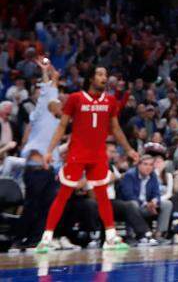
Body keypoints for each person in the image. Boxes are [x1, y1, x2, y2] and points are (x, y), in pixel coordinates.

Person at [36, 66, 139, 253]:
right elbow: (61, 126)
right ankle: (46, 238)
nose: (104, 78)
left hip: (98, 155)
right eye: (100, 74)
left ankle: (111, 237)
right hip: (77, 154)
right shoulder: (76, 98)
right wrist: (50, 150)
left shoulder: (110, 100)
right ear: (91, 78)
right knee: (63, 195)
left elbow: (115, 129)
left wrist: (129, 150)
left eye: (105, 74)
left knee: (102, 196)